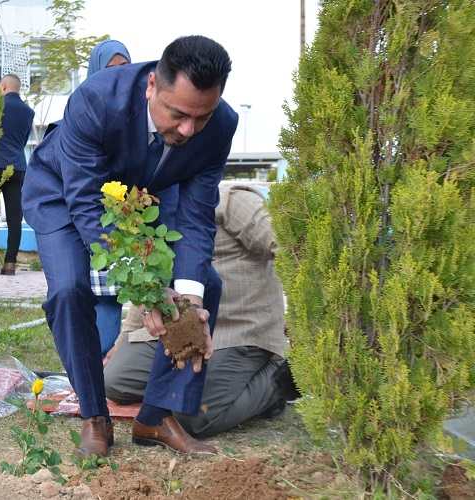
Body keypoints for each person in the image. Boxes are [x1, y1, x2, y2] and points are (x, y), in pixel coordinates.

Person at [22, 36, 238, 458]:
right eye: (177, 115)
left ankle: (156, 415)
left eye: (201, 117)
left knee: (201, 285)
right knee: (69, 289)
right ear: (152, 85)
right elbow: (86, 203)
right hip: (64, 192)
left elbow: (196, 216)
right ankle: (94, 415)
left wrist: (187, 304)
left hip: (138, 201)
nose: (188, 130)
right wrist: (144, 290)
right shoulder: (95, 100)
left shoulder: (220, 126)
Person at [105, 183, 292, 438]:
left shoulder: (231, 200)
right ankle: (208, 382)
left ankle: (277, 381)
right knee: (114, 381)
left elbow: (291, 248)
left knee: (193, 417)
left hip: (238, 331)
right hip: (180, 331)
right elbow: (148, 283)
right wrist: (121, 341)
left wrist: (300, 322)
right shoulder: (149, 211)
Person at [84, 40, 133, 358]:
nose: (119, 76)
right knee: (95, 292)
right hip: (90, 212)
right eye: (111, 70)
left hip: (126, 212)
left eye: (125, 69)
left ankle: (108, 363)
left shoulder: (138, 111)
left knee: (114, 292)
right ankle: (94, 361)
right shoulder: (83, 110)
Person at [0, 74, 35, 276]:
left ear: (4, 86)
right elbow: (22, 141)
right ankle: (10, 263)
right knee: (15, 217)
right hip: (17, 166)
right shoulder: (28, 112)